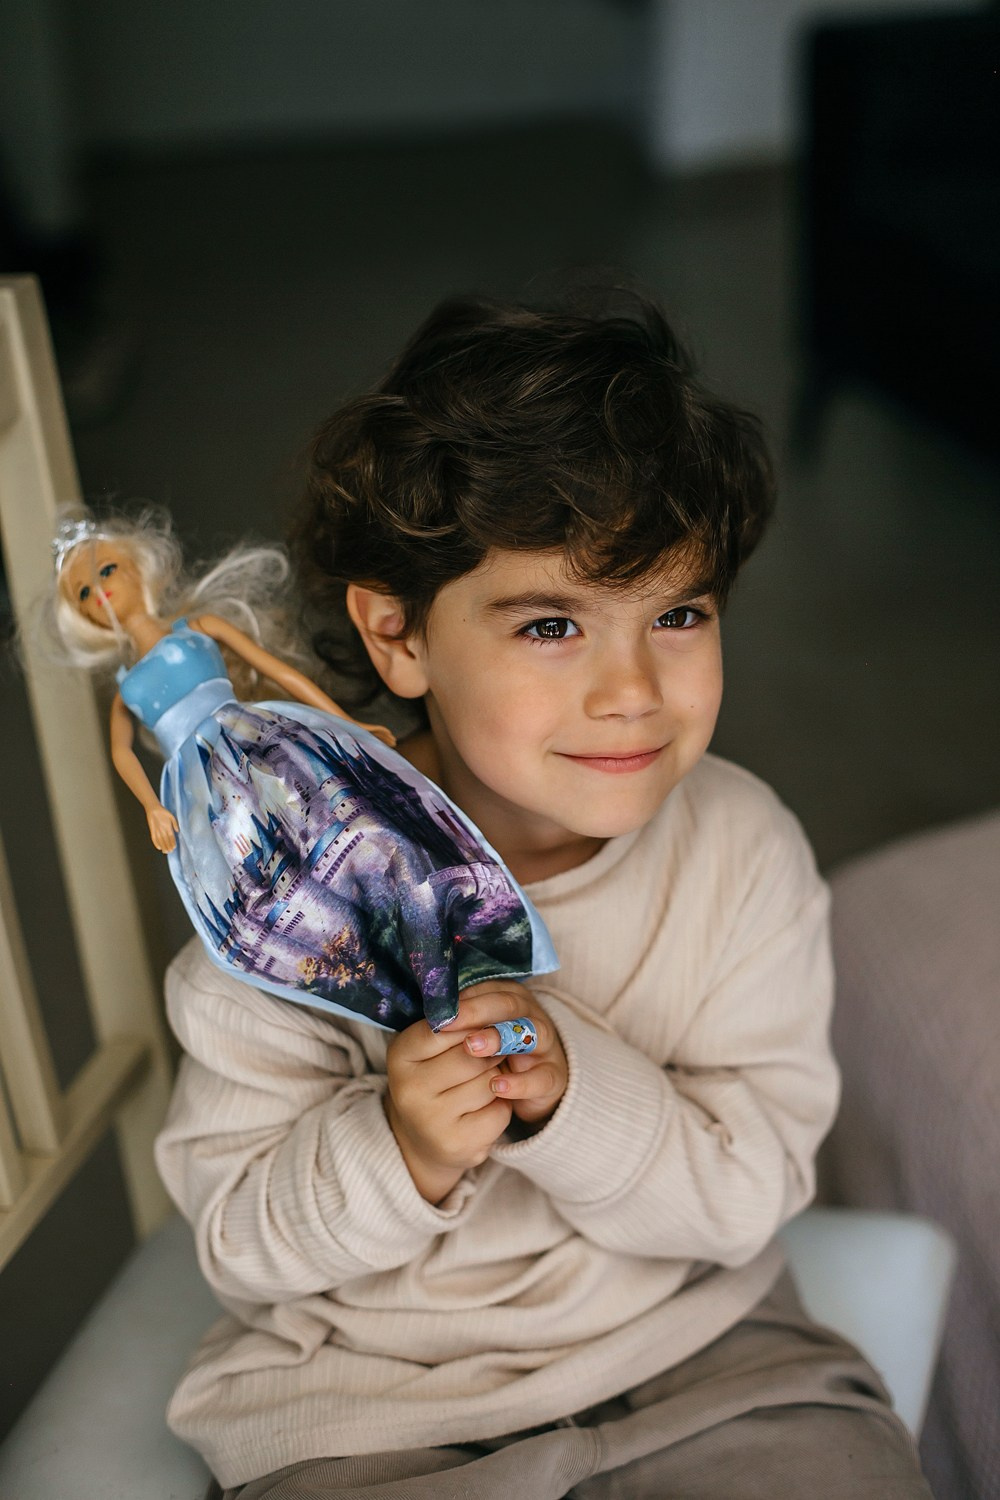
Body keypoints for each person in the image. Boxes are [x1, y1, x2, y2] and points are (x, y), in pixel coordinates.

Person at [154, 288, 934, 1497]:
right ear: (398, 637)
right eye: (551, 626)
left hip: (700, 1352)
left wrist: (579, 1099)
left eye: (676, 613)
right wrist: (397, 1146)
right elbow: (240, 1243)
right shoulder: (287, 889)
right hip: (369, 1401)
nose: (632, 688)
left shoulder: (741, 851)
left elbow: (746, 1195)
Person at [45, 511, 556, 1031]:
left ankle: (452, 954)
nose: (100, 592)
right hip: (209, 791)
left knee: (363, 831)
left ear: (137, 566)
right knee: (273, 892)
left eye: (106, 571)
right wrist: (153, 806)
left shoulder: (196, 630)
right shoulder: (128, 686)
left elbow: (278, 672)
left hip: (260, 746)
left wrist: (345, 722)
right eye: (83, 593)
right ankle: (402, 994)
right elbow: (121, 754)